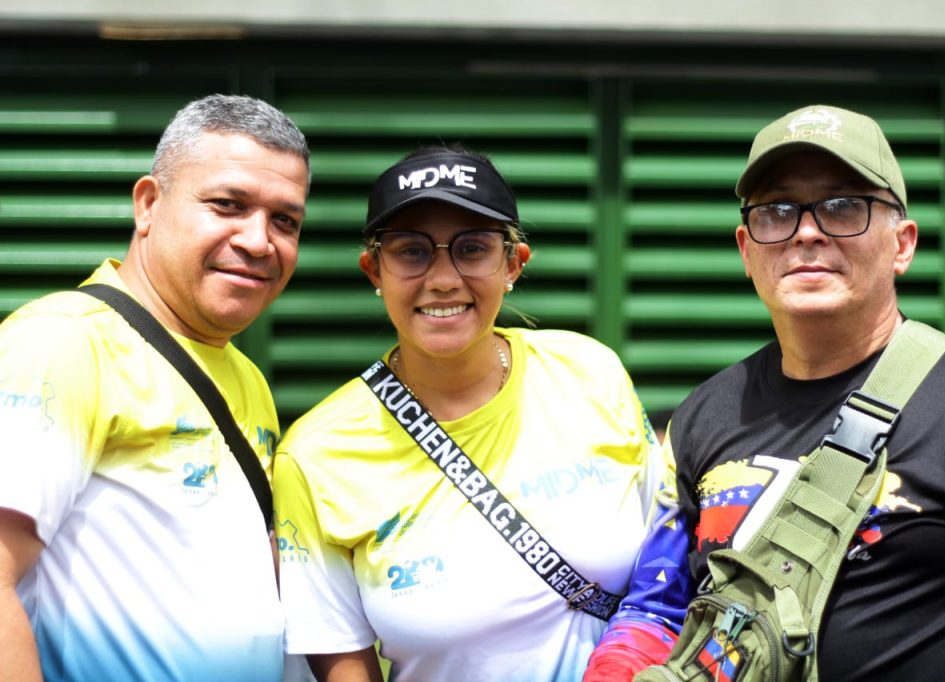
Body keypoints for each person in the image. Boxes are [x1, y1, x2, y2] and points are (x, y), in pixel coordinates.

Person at [584, 103, 945, 681]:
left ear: (904, 244)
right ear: (747, 249)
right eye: (777, 211)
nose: (808, 231)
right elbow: (666, 609)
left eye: (844, 207)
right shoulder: (704, 414)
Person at [272, 145, 673, 682]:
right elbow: (340, 657)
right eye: (412, 251)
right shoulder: (317, 452)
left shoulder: (590, 371)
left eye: (472, 249)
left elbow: (664, 569)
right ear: (375, 269)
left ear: (513, 263)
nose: (442, 278)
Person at [0, 94, 310, 681]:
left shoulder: (245, 376)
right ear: (149, 204)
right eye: (227, 204)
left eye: (285, 221)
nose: (258, 240)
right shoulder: (63, 343)